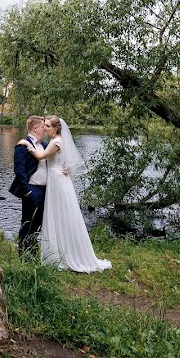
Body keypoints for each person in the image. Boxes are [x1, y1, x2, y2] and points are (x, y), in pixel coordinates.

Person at [17, 116, 111, 273]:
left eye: (47, 126)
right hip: (54, 182)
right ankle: (54, 252)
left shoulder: (56, 142)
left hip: (57, 183)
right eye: (43, 125)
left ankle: (65, 255)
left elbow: (41, 156)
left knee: (62, 215)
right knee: (55, 217)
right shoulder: (54, 142)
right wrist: (66, 166)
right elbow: (63, 158)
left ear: (55, 129)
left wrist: (27, 143)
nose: (45, 128)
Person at [8, 115, 48, 255]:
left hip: (45, 191)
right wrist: (27, 192)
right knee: (27, 224)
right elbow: (19, 170)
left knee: (38, 224)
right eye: (43, 127)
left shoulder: (44, 145)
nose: (45, 130)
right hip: (32, 190)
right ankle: (24, 257)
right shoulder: (22, 145)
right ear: (35, 128)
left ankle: (33, 253)